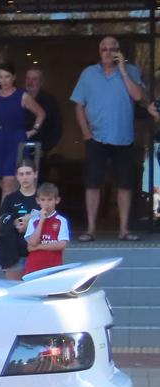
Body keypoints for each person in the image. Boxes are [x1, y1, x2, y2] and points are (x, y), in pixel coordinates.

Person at [72, 36, 147, 242]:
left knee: (124, 185)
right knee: (93, 183)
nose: (108, 52)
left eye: (112, 49)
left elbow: (139, 97)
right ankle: (91, 229)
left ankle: (123, 230)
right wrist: (86, 133)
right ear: (99, 51)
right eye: (104, 49)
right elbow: (78, 105)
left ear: (118, 51)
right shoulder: (88, 74)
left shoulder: (131, 71)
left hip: (124, 138)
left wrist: (122, 69)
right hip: (97, 138)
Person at [0, 64, 46, 200]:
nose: (4, 81)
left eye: (7, 77)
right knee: (4, 185)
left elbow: (40, 113)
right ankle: (15, 216)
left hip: (16, 141)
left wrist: (33, 130)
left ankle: (4, 220)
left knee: (8, 185)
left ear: (13, 78)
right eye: (1, 77)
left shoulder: (22, 96)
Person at [0, 159, 39, 280]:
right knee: (14, 292)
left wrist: (31, 223)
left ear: (35, 174)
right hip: (15, 255)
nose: (25, 177)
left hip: (38, 253)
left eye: (28, 173)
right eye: (21, 174)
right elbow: (1, 223)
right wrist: (14, 223)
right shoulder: (10, 199)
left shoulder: (43, 198)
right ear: (17, 177)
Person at [24, 182, 70, 278]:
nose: (46, 203)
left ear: (57, 200)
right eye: (43, 200)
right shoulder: (33, 221)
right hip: (34, 267)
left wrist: (38, 247)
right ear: (38, 201)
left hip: (53, 267)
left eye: (49, 200)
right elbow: (32, 243)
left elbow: (61, 245)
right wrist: (41, 221)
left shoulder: (61, 221)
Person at [24, 68, 63, 171]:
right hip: (19, 149)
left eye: (34, 79)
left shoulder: (49, 102)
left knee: (38, 183)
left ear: (41, 82)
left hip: (39, 151)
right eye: (28, 79)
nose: (30, 82)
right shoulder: (18, 98)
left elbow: (56, 129)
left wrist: (45, 148)